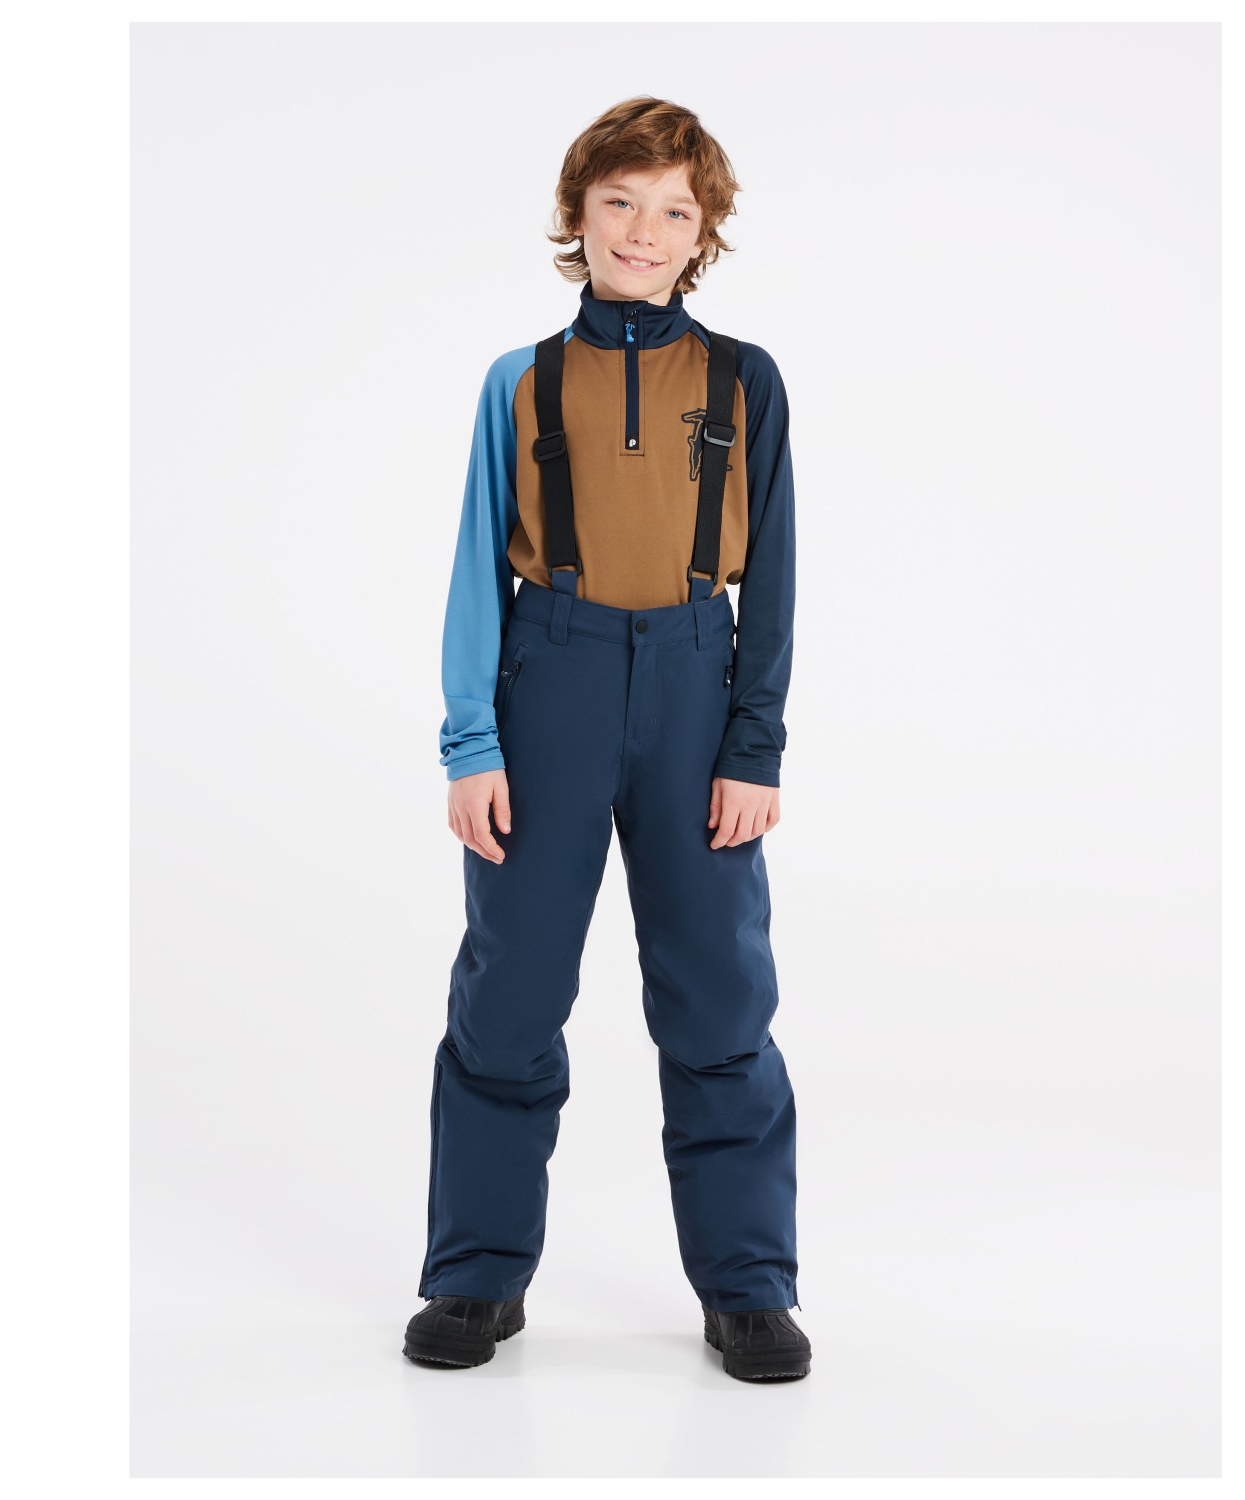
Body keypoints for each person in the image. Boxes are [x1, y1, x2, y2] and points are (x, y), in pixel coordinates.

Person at [402, 96, 810, 1383]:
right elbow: (478, 566)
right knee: (510, 993)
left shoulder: (744, 380)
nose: (644, 230)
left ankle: (749, 1285)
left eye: (675, 210)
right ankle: (476, 1274)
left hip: (695, 687)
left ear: (705, 232)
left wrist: (755, 746)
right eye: (620, 201)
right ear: (578, 213)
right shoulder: (520, 380)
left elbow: (774, 578)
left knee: (720, 997)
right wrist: (472, 744)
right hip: (551, 682)